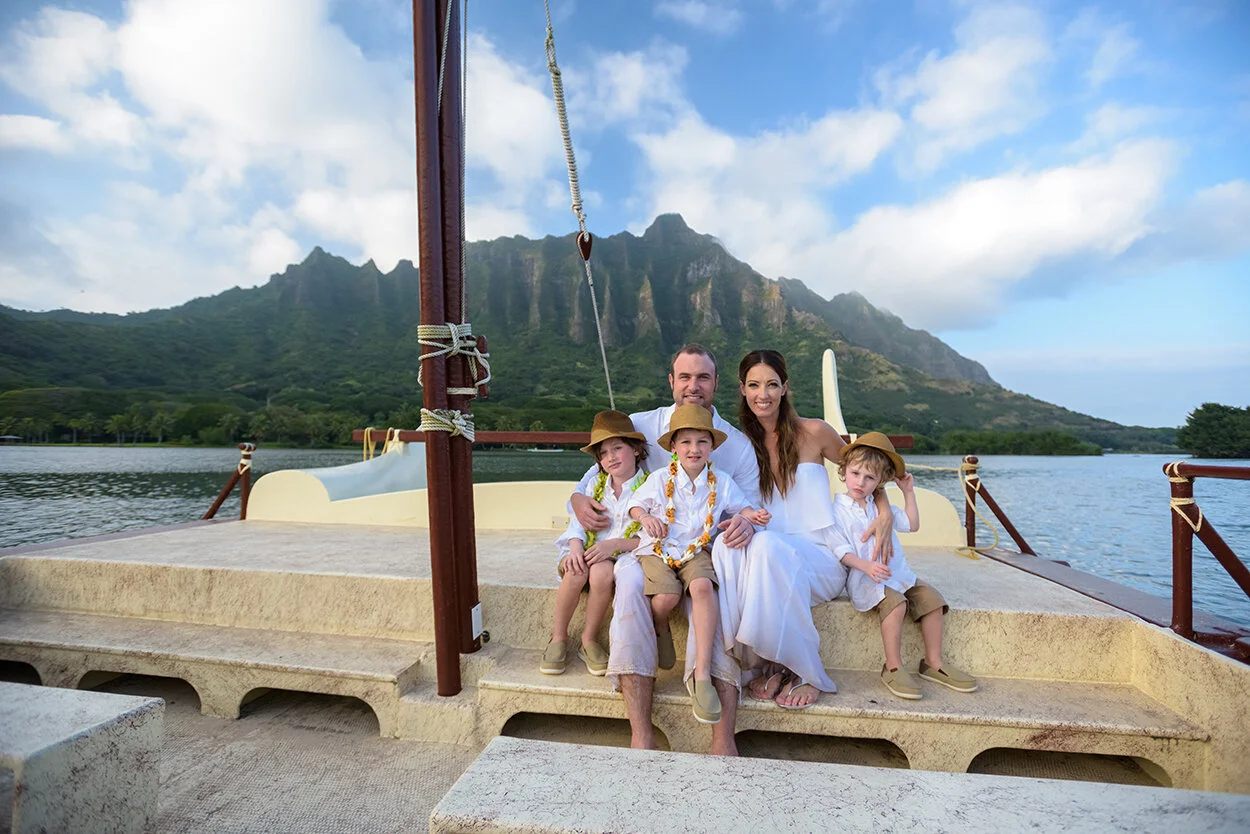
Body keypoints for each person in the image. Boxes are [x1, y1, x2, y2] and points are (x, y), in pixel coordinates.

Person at [569, 344, 758, 754]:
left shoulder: (737, 446)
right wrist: (578, 501)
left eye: (702, 377)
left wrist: (743, 520)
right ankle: (642, 732)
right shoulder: (640, 424)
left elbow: (751, 505)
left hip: (706, 549)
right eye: (684, 377)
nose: (693, 386)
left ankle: (721, 736)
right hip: (648, 547)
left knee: (716, 595)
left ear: (716, 383)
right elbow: (596, 473)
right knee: (629, 584)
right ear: (671, 380)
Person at [714, 349, 897, 710]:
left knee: (766, 549)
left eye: (771, 384)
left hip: (823, 558)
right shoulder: (741, 445)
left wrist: (886, 509)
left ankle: (807, 671)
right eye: (753, 385)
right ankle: (765, 663)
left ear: (785, 388)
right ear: (742, 389)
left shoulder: (815, 432)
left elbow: (867, 470)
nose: (762, 394)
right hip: (772, 551)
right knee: (743, 547)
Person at [626, 404, 764, 724]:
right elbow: (635, 505)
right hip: (658, 549)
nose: (694, 449)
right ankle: (660, 625)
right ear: (673, 447)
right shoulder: (661, 478)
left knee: (703, 588)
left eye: (702, 442)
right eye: (686, 442)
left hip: (696, 549)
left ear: (712, 447)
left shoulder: (722, 482)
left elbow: (742, 508)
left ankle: (702, 677)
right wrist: (646, 517)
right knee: (667, 597)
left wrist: (751, 517)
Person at [830, 432, 978, 700]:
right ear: (844, 472)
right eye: (855, 474)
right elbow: (840, 549)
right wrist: (866, 567)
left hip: (898, 573)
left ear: (880, 482)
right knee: (895, 604)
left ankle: (933, 663)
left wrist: (908, 492)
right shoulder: (837, 509)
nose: (860, 482)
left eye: (869, 478)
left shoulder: (880, 507)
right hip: (866, 578)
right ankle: (893, 666)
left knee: (932, 599)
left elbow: (912, 524)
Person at [541, 410, 649, 677]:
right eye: (603, 453)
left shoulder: (649, 488)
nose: (610, 457)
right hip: (586, 548)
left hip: (619, 555)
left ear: (636, 450)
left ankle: (588, 640)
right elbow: (578, 522)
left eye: (617, 448)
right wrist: (576, 546)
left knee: (602, 572)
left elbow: (648, 537)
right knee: (575, 569)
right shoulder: (595, 485)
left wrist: (614, 545)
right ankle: (558, 638)